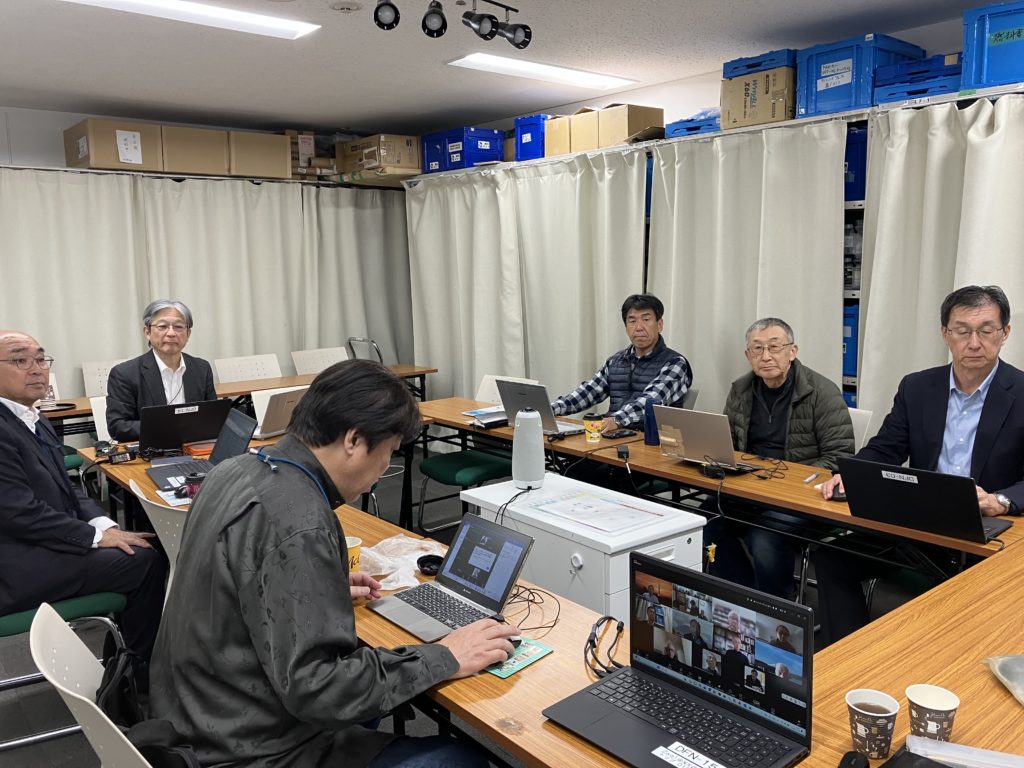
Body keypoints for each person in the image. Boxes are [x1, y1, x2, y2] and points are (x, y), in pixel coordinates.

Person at [150, 359, 519, 768]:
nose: (384, 470)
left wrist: (316, 587)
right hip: (246, 748)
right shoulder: (299, 521)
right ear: (354, 440)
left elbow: (238, 580)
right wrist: (446, 656)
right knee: (460, 759)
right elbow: (318, 691)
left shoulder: (234, 469)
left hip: (189, 714)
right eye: (389, 453)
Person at [818, 285, 1024, 645]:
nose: (974, 343)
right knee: (832, 557)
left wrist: (1001, 500)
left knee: (983, 600)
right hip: (919, 522)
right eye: (962, 331)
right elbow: (886, 448)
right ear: (945, 333)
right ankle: (850, 658)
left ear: (1004, 333)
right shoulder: (918, 387)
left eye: (986, 330)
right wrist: (849, 474)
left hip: (987, 529)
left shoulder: (1020, 392)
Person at [0, 331, 166, 668]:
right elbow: (19, 514)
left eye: (41, 359)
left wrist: (105, 525)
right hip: (15, 563)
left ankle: (125, 659)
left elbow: (68, 487)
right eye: (20, 360)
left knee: (135, 546)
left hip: (40, 541)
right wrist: (95, 537)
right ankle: (139, 673)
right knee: (146, 561)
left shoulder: (31, 416)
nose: (36, 369)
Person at [709, 317, 854, 598]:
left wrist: (784, 480)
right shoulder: (740, 390)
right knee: (704, 519)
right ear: (748, 355)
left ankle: (776, 607)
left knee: (764, 538)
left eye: (774, 347)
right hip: (750, 490)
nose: (766, 356)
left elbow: (839, 456)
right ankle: (744, 597)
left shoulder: (821, 393)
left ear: (792, 351)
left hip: (802, 496)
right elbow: (728, 446)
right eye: (757, 349)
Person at [551, 293, 693, 432]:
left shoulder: (675, 363)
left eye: (646, 319)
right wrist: (551, 409)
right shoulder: (616, 361)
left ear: (659, 325)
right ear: (626, 327)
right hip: (613, 437)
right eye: (632, 321)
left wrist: (617, 420)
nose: (639, 327)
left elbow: (651, 401)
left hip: (651, 441)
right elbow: (589, 392)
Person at [106, 299, 217, 441]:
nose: (171, 333)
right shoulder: (124, 374)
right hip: (152, 448)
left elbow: (212, 416)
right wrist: (170, 426)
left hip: (195, 447)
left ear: (188, 333)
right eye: (163, 326)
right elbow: (118, 427)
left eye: (178, 327)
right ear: (147, 332)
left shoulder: (201, 368)